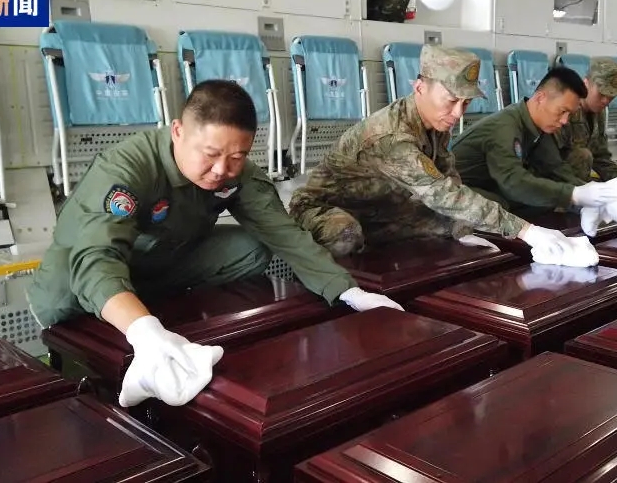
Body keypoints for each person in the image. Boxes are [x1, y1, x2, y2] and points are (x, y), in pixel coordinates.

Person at [27, 80, 403, 408]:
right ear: (178, 132)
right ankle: (127, 322)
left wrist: (347, 291)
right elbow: (96, 257)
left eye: (237, 156)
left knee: (252, 247)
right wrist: (145, 333)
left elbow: (283, 233)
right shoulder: (127, 169)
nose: (222, 169)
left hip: (157, 266)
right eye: (210, 155)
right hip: (80, 276)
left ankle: (150, 309)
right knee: (71, 290)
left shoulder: (235, 173)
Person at [288, 44, 581, 259]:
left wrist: (463, 229)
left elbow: (451, 180)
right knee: (345, 233)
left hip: (379, 208)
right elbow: (442, 194)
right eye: (451, 100)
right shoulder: (392, 135)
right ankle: (346, 295)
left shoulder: (435, 122)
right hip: (324, 210)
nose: (458, 113)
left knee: (451, 221)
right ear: (420, 88)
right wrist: (526, 231)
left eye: (466, 103)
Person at [449, 66, 617, 219]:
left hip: (490, 184)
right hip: (454, 191)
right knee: (497, 205)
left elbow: (556, 168)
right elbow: (513, 182)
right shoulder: (505, 127)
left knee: (543, 198)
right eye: (562, 111)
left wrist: (591, 197)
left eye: (569, 114)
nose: (565, 121)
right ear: (541, 98)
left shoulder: (538, 126)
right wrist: (573, 195)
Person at [554, 57, 617, 181]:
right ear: (586, 84)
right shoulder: (564, 110)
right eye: (601, 93)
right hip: (555, 182)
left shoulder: (598, 114)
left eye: (611, 96)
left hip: (578, 182)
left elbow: (600, 156)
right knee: (583, 155)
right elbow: (547, 159)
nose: (605, 101)